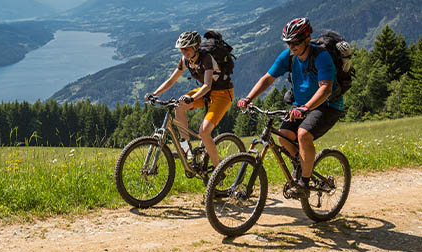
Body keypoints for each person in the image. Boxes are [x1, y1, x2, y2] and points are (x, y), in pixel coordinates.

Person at [237, 18, 344, 198]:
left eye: (295, 42)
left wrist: (306, 108)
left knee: (303, 134)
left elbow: (326, 89)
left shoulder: (321, 56)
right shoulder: (289, 56)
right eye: (288, 42)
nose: (291, 46)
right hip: (300, 106)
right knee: (284, 137)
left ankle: (304, 182)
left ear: (307, 39)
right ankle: (300, 165)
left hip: (326, 105)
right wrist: (249, 98)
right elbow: (267, 79)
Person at [145, 31, 234, 169]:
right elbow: (171, 80)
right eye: (181, 48)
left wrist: (191, 98)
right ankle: (186, 147)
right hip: (206, 94)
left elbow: (207, 85)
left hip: (222, 94)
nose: (183, 51)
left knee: (204, 132)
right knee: (178, 106)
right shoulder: (185, 60)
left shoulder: (207, 59)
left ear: (195, 47)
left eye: (186, 48)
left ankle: (218, 170)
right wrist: (155, 93)